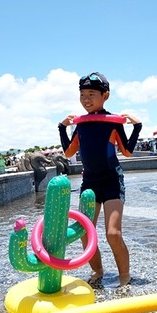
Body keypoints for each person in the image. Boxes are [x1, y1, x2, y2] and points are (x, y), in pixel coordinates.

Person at [59, 72, 142, 287]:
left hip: (112, 180)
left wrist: (137, 127)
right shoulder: (82, 124)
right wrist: (62, 128)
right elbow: (69, 153)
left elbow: (127, 151)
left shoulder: (112, 123)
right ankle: (98, 271)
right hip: (90, 184)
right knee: (85, 233)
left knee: (112, 233)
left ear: (105, 95)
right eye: (82, 94)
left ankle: (125, 277)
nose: (86, 99)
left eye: (91, 94)